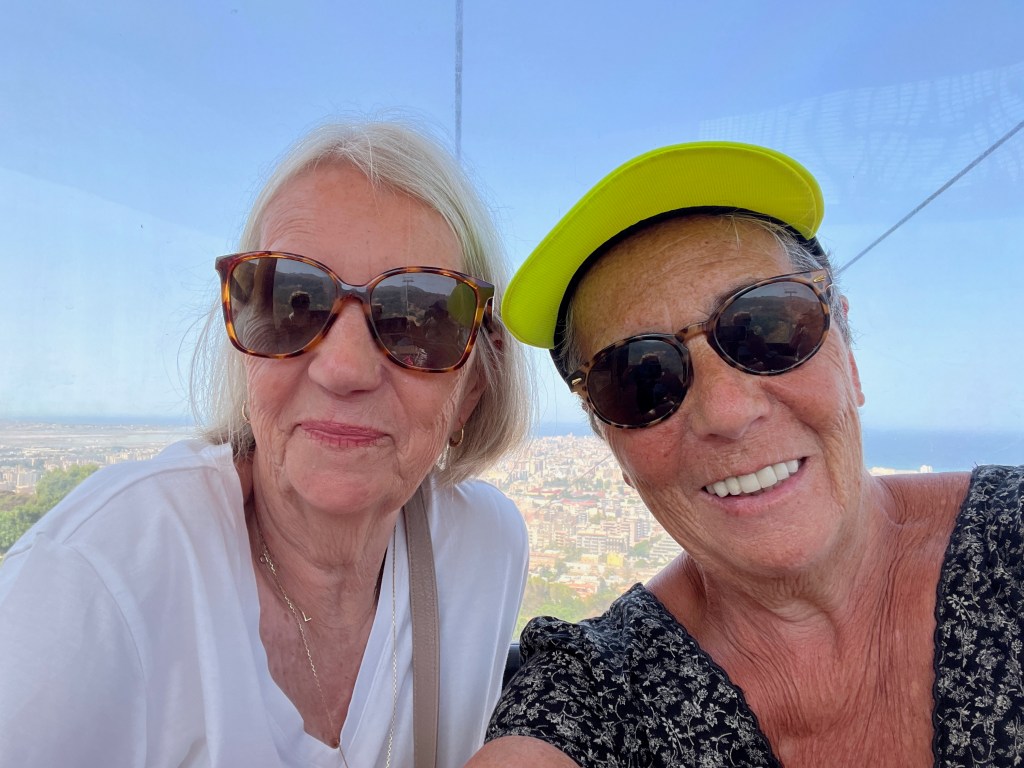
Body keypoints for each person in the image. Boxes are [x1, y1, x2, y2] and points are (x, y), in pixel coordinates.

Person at [468, 142, 1024, 767]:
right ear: (610, 440)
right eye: (641, 378)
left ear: (848, 355)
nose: (727, 412)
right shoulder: (593, 694)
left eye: (768, 327)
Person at [0, 120, 531, 767]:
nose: (345, 370)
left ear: (472, 390)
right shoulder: (99, 579)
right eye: (289, 303)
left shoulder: (484, 550)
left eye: (420, 319)